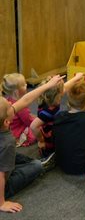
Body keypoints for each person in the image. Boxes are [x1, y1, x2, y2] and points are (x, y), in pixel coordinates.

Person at [0, 74, 64, 213]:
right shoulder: (7, 142)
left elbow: (25, 100)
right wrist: (2, 203)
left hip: (4, 160)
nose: (13, 106)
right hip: (3, 184)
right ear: (6, 122)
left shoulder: (4, 126)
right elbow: (1, 174)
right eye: (11, 108)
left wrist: (48, 85)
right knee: (36, 166)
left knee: (16, 159)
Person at [30, 72, 84, 159]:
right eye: (62, 90)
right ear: (58, 95)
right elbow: (33, 126)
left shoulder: (47, 97)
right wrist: (41, 141)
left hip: (53, 128)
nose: (64, 90)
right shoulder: (48, 112)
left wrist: (76, 78)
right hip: (51, 138)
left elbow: (66, 86)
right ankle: (50, 155)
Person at [1, 73, 36, 147]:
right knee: (37, 129)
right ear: (16, 92)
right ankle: (21, 141)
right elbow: (28, 121)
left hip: (11, 128)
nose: (26, 85)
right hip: (17, 132)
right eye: (23, 85)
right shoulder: (21, 107)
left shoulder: (8, 100)